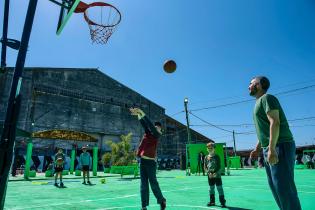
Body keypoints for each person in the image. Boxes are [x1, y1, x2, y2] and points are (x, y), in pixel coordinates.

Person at [249, 76, 301, 210]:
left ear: (259, 85)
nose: (248, 86)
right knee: (276, 188)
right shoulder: (258, 103)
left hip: (280, 145)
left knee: (284, 188)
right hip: (270, 147)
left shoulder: (267, 98)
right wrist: (257, 148)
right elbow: (265, 130)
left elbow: (275, 122)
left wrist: (272, 148)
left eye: (251, 83)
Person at [130, 107, 166, 210]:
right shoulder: (148, 133)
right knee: (143, 185)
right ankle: (144, 206)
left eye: (157, 127)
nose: (155, 127)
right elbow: (144, 123)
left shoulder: (157, 134)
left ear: (160, 130)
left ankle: (161, 200)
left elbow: (149, 124)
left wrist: (141, 111)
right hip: (143, 161)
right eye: (155, 126)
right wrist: (138, 114)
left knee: (153, 183)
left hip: (150, 163)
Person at [204, 142, 226, 207]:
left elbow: (219, 166)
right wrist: (208, 173)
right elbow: (205, 166)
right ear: (207, 149)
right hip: (210, 176)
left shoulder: (217, 156)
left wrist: (216, 173)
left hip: (217, 176)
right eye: (208, 148)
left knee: (219, 188)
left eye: (211, 148)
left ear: (214, 149)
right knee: (211, 188)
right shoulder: (206, 157)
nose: (210, 149)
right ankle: (212, 201)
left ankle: (222, 202)